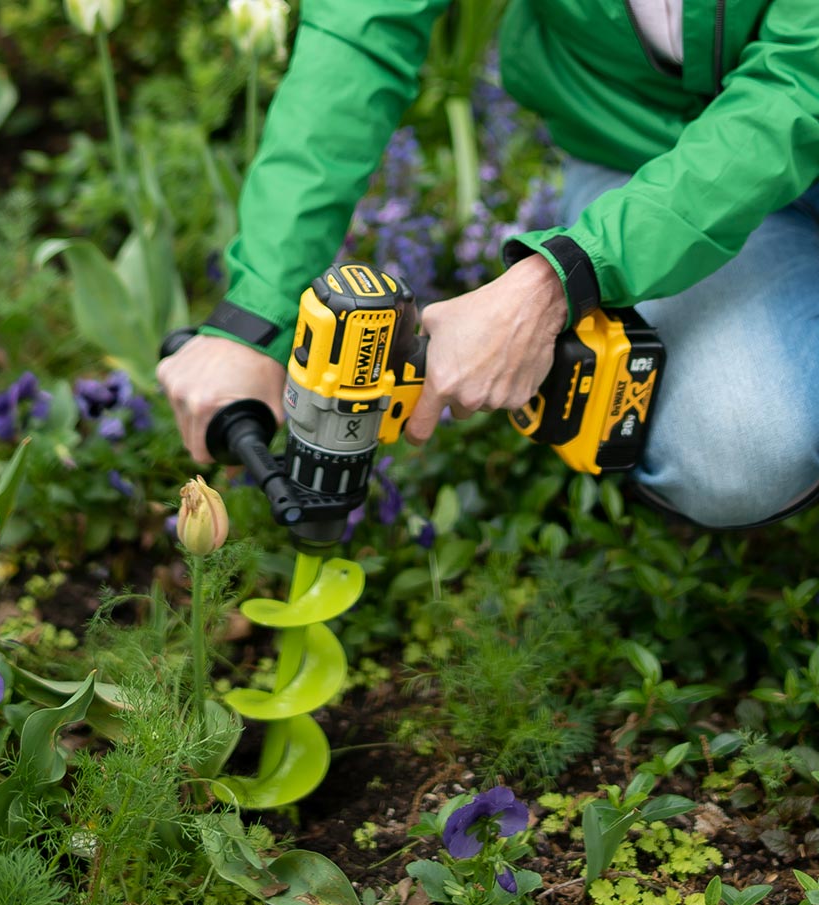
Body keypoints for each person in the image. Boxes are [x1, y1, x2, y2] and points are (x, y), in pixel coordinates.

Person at [157, 0, 819, 529]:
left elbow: (794, 92)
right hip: (643, 149)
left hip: (788, 119)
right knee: (739, 449)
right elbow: (357, 37)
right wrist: (255, 316)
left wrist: (550, 287)